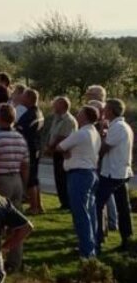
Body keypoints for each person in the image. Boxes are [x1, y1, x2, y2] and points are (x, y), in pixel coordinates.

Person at [0, 104, 30, 272]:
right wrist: (24, 185)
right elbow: (25, 164)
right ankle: (15, 261)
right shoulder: (19, 138)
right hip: (16, 179)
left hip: (0, 180)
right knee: (16, 222)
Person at [57, 105, 102, 259]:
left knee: (80, 214)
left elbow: (59, 146)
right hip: (91, 173)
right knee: (90, 212)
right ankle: (91, 246)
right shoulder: (94, 132)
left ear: (85, 117)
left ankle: (87, 252)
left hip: (79, 175)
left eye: (80, 113)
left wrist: (65, 152)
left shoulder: (81, 133)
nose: (77, 115)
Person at [95, 98, 133, 254]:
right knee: (123, 207)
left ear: (111, 111)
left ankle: (96, 240)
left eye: (105, 109)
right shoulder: (122, 126)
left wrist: (99, 137)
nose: (103, 112)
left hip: (112, 173)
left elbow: (104, 148)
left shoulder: (117, 127)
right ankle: (127, 240)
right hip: (121, 172)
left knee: (96, 204)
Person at [15, 89, 44, 215]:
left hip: (30, 148)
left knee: (31, 178)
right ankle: (38, 204)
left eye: (24, 96)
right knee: (35, 178)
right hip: (35, 147)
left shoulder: (31, 114)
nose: (21, 98)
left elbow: (20, 130)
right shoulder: (38, 112)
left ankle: (34, 207)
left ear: (29, 98)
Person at [46, 96, 76, 210]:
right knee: (58, 178)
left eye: (56, 104)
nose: (53, 105)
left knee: (63, 178)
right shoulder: (56, 118)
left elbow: (62, 137)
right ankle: (63, 202)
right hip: (56, 151)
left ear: (63, 106)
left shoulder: (68, 120)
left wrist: (50, 147)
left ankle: (67, 202)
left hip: (63, 153)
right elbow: (52, 134)